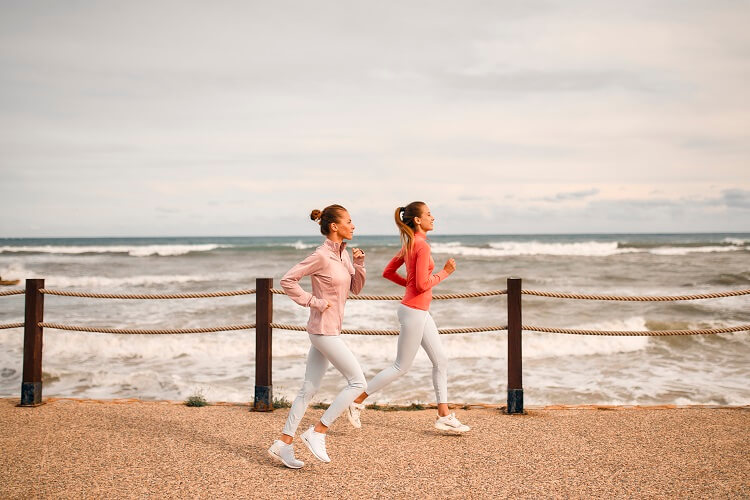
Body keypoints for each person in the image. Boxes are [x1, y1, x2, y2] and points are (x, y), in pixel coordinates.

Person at [346, 201, 470, 433]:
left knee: (440, 361)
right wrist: (445, 272)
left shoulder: (411, 244)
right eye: (429, 214)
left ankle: (443, 415)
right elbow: (422, 284)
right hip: (414, 311)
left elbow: (388, 272)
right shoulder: (421, 246)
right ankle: (356, 401)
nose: (433, 218)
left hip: (418, 310)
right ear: (417, 220)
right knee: (401, 366)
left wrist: (410, 286)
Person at [267, 204, 367, 469]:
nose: (353, 225)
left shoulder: (344, 256)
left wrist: (359, 264)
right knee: (358, 383)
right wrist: (315, 302)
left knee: (308, 389)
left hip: (328, 330)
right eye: (349, 221)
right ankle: (318, 431)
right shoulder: (322, 255)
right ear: (335, 226)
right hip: (323, 331)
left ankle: (283, 443)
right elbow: (288, 280)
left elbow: (355, 289)